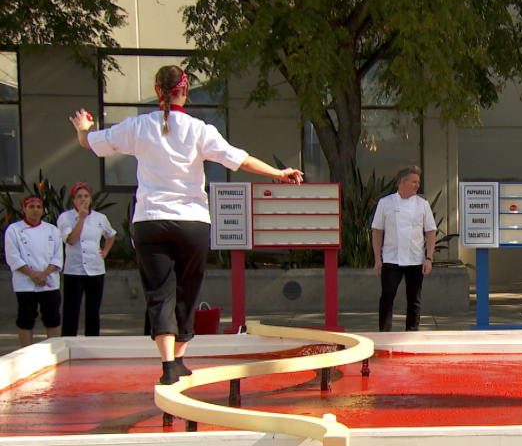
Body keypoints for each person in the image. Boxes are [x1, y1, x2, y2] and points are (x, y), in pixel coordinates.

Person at [70, 65, 304, 385]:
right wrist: (279, 173)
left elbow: (89, 142)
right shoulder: (198, 129)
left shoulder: (138, 126)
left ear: (157, 90)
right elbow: (239, 159)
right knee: (186, 290)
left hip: (151, 221)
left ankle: (169, 364)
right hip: (192, 221)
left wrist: (84, 128)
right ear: (185, 91)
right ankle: (177, 359)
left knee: (159, 292)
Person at [372, 165, 437, 332]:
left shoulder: (423, 204)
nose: (417, 185)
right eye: (414, 182)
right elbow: (377, 231)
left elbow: (430, 231)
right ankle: (384, 334)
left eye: (418, 182)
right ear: (403, 182)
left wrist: (429, 258)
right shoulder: (385, 203)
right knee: (387, 297)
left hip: (415, 259)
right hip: (391, 259)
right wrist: (378, 259)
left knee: (414, 300)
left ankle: (412, 333)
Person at [58, 182, 116, 337]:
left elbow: (111, 235)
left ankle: (92, 341)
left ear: (90, 199)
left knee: (93, 310)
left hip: (96, 269)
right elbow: (71, 240)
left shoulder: (100, 217)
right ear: (73, 200)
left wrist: (105, 251)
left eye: (86, 196)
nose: (83, 199)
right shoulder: (65, 217)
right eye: (79, 196)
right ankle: (69, 340)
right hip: (74, 270)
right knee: (71, 310)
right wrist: (81, 218)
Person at [5, 196, 64, 347]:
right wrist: (33, 275)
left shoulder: (52, 230)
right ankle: (25, 352)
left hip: (49, 282)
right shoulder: (13, 230)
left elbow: (58, 256)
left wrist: (44, 274)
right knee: (26, 319)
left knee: (53, 319)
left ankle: (55, 351)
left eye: (38, 207)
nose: (35, 210)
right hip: (25, 283)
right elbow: (13, 257)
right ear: (24, 209)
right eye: (31, 206)